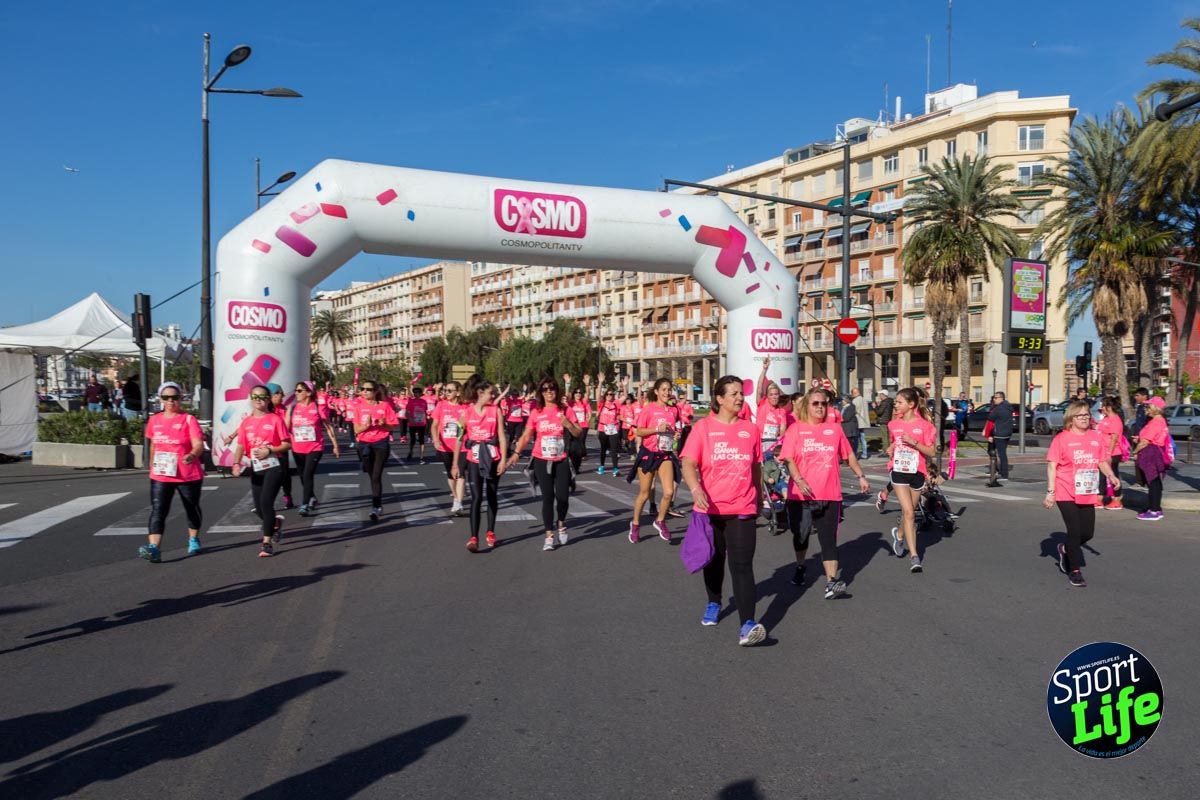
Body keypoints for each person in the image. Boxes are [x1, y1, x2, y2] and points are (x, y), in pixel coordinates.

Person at [680, 374, 767, 646]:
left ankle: (747, 625)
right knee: (714, 560)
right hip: (711, 508)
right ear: (719, 398)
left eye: (741, 393)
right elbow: (688, 463)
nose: (740, 398)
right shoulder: (703, 428)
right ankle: (714, 602)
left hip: (742, 506)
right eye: (734, 394)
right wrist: (696, 489)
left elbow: (755, 466)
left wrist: (759, 495)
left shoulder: (750, 430)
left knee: (742, 566)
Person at [780, 388, 871, 597]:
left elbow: (848, 455)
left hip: (830, 493)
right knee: (801, 535)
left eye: (824, 403)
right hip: (801, 495)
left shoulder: (835, 430)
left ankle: (831, 581)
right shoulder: (795, 429)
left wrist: (861, 476)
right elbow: (788, 458)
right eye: (815, 403)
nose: (820, 407)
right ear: (807, 406)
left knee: (828, 538)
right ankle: (801, 565)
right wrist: (799, 479)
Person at [1044, 400, 1121, 587]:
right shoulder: (1061, 438)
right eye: (1080, 415)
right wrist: (1050, 492)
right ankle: (1075, 570)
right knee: (1074, 530)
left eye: (1087, 414)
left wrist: (1111, 475)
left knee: (1087, 533)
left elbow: (1101, 461)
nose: (1085, 418)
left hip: (1087, 490)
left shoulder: (1095, 437)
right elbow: (1052, 465)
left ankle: (1064, 548)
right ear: (1071, 419)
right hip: (1065, 489)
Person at [507, 377, 582, 551]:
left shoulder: (566, 410)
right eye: (545, 389)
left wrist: (568, 425)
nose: (549, 391)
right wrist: (516, 453)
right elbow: (526, 435)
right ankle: (549, 535)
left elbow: (578, 433)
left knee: (563, 497)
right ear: (541, 392)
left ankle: (561, 523)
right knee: (547, 498)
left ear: (557, 390)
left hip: (561, 459)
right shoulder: (537, 412)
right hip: (541, 458)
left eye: (552, 388)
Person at [138, 381, 205, 562]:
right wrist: (152, 466)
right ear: (160, 399)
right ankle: (154, 548)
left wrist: (192, 454)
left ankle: (193, 539)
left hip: (186, 473)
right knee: (158, 509)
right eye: (166, 397)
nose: (170, 401)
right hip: (162, 473)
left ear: (180, 399)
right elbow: (153, 445)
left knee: (191, 507)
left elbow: (198, 443)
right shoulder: (154, 420)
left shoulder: (188, 419)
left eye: (174, 397)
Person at [229, 385, 292, 557]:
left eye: (262, 396)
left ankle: (266, 543)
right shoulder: (246, 422)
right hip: (256, 468)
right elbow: (240, 446)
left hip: (274, 466)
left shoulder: (275, 419)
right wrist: (236, 463)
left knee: (266, 503)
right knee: (258, 508)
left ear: (268, 399)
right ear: (251, 399)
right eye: (255, 396)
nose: (258, 400)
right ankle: (275, 523)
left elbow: (287, 444)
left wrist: (270, 450)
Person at [452, 379, 509, 552]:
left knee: (491, 494)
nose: (493, 396)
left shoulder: (495, 411)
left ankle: (490, 531)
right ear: (480, 393)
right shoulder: (466, 413)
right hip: (474, 459)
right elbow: (459, 439)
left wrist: (503, 460)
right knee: (476, 497)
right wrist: (455, 464)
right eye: (491, 393)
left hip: (492, 457)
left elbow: (502, 437)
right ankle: (473, 537)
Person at [886, 388, 938, 572]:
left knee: (909, 512)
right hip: (898, 471)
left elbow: (932, 451)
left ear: (911, 404)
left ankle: (899, 535)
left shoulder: (925, 426)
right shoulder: (893, 424)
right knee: (909, 513)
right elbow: (894, 441)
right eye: (896, 402)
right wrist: (891, 448)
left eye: (899, 402)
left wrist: (914, 442)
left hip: (917, 472)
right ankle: (914, 557)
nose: (896, 405)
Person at [629, 378, 681, 544]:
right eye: (663, 389)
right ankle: (635, 524)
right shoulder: (649, 409)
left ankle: (660, 521)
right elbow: (639, 431)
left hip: (665, 454)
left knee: (668, 492)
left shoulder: (673, 410)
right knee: (645, 493)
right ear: (657, 391)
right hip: (648, 454)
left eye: (669, 389)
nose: (667, 392)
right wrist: (657, 429)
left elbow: (674, 430)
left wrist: (675, 435)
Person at [288, 380, 340, 516]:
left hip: (315, 447)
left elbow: (329, 427)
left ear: (309, 393)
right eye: (295, 390)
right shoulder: (293, 408)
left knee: (307, 474)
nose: (296, 393)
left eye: (299, 391)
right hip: (297, 448)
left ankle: (305, 504)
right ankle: (312, 497)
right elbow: (286, 427)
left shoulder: (317, 407)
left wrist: (335, 446)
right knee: (302, 476)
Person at [354, 380, 398, 521]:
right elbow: (356, 430)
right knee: (371, 475)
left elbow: (392, 427)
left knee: (376, 476)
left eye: (368, 389)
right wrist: (365, 426)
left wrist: (384, 424)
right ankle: (377, 503)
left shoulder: (384, 406)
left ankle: (376, 506)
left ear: (375, 392)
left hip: (381, 443)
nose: (365, 391)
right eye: (363, 389)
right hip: (364, 444)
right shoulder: (358, 407)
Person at [432, 382, 467, 517]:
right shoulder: (441, 405)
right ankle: (456, 497)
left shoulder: (465, 406)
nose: (446, 393)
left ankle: (458, 502)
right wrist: (436, 439)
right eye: (445, 390)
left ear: (458, 392)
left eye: (449, 391)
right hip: (445, 446)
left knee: (461, 474)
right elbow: (434, 425)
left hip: (462, 446)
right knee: (451, 474)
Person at [1132, 397, 1170, 521]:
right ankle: (1155, 508)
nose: (1146, 409)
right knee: (1155, 481)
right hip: (1155, 452)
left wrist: (1135, 451)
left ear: (1155, 408)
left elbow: (1145, 442)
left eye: (1148, 406)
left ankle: (1154, 511)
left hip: (1151, 453)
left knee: (1152, 481)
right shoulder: (1160, 420)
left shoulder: (1155, 422)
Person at [1096, 397, 1126, 511]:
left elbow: (1114, 437)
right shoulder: (1106, 418)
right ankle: (1100, 498)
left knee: (1113, 475)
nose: (1101, 408)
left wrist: (1109, 453)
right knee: (1102, 476)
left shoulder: (1115, 420)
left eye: (1103, 406)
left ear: (1108, 407)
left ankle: (1117, 499)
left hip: (1113, 452)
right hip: (1102, 451)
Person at [270, 385, 296, 509]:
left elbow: (286, 428)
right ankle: (265, 501)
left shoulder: (284, 409)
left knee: (284, 474)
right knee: (266, 475)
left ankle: (287, 496)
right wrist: (232, 436)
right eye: (281, 393)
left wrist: (289, 413)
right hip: (266, 447)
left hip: (281, 447)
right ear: (272, 395)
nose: (283, 396)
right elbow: (247, 423)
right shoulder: (264, 410)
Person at [986, 391, 1014, 480]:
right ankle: (999, 471)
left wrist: (990, 435)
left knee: (1001, 454)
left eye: (996, 398)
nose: (994, 399)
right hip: (1007, 433)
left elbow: (990, 418)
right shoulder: (1008, 406)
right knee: (1002, 453)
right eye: (994, 398)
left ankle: (1004, 474)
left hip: (1000, 434)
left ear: (1001, 398)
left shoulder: (998, 409)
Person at [567, 386, 592, 482]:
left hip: (583, 427)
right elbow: (567, 396)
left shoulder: (584, 402)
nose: (578, 394)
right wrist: (567, 384)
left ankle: (576, 467)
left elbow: (589, 412)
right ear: (573, 394)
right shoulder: (571, 403)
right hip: (573, 427)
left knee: (580, 446)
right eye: (576, 392)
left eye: (579, 392)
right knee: (572, 447)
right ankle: (572, 465)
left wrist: (588, 420)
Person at [596, 389, 622, 475]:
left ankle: (615, 468)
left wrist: (625, 386)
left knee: (614, 449)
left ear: (613, 396)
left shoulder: (616, 403)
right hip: (602, 428)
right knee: (603, 448)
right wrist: (600, 383)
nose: (609, 395)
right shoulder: (602, 403)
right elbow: (598, 395)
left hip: (613, 429)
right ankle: (602, 466)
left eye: (611, 394)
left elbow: (624, 397)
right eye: (607, 394)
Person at [502, 390, 527, 456]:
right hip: (510, 421)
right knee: (511, 436)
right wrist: (505, 389)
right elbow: (505, 396)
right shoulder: (509, 401)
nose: (514, 397)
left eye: (516, 395)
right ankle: (508, 449)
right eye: (513, 395)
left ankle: (517, 452)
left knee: (519, 437)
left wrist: (525, 390)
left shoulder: (520, 401)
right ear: (511, 396)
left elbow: (526, 397)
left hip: (519, 421)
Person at [850, 388, 870, 459]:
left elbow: (853, 411)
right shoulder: (864, 399)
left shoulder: (855, 400)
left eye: (852, 393)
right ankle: (865, 454)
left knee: (856, 439)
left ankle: (856, 453)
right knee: (862, 438)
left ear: (854, 393)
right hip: (863, 422)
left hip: (857, 422)